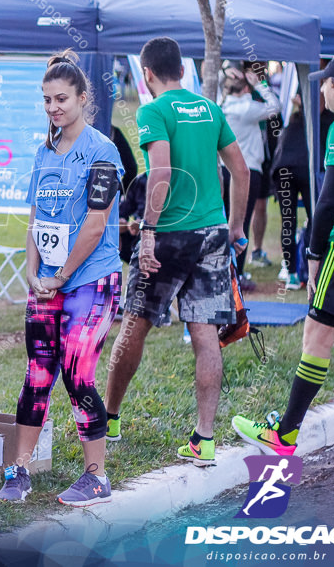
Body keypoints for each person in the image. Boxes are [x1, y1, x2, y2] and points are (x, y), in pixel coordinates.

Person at [103, 37, 250, 466]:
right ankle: (204, 438)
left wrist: (147, 228)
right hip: (212, 233)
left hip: (169, 234)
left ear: (146, 74)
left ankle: (109, 418)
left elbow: (161, 170)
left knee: (135, 324)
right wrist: (236, 226)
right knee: (205, 334)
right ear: (182, 71)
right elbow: (239, 170)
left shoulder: (152, 110)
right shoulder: (209, 108)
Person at [0, 51, 123, 506]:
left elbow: (94, 223)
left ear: (83, 99)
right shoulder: (43, 151)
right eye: (47, 99)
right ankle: (20, 468)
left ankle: (97, 475)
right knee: (37, 372)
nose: (53, 107)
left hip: (91, 279)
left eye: (62, 99)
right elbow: (35, 218)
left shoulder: (102, 150)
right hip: (46, 282)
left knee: (77, 372)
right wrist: (33, 272)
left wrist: (61, 275)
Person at [233, 54, 334, 455]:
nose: (323, 90)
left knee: (316, 336)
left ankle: (285, 434)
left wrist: (313, 253)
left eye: (327, 83)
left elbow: (328, 199)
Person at [271, 94, 334, 289]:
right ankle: (298, 270)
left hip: (286, 168)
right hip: (299, 169)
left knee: (296, 220)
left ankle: (295, 271)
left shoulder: (298, 118)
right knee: (311, 219)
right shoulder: (326, 120)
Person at [220, 65, 280, 277]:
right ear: (246, 88)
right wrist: (260, 85)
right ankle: (237, 272)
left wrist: (226, 72)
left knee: (224, 219)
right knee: (241, 222)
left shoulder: (222, 106)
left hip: (223, 170)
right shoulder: (249, 108)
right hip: (248, 171)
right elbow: (275, 106)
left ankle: (224, 269)